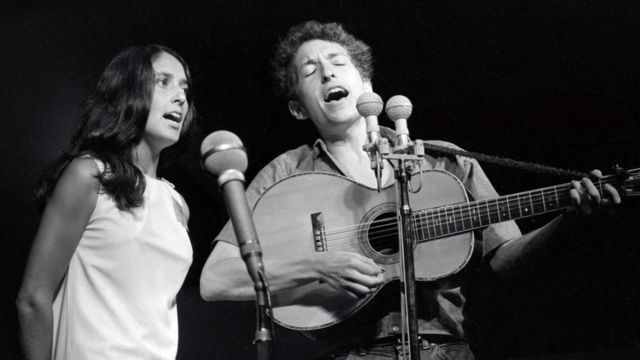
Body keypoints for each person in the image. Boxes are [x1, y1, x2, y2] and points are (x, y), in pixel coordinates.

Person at [199, 21, 620, 359]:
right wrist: (316, 267)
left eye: (338, 62)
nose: (327, 72)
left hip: (446, 350)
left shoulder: (444, 162)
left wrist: (569, 217)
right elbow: (216, 279)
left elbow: (507, 261)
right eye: (309, 71)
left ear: (365, 83)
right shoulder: (286, 173)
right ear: (297, 106)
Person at [16, 45, 197, 360]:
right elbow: (33, 298)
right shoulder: (90, 176)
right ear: (128, 91)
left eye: (184, 87)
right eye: (163, 82)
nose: (180, 96)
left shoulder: (176, 202)